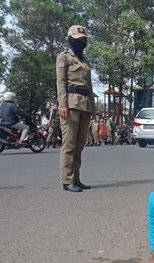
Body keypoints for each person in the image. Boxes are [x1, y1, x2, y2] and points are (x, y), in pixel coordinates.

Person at [56, 25, 96, 192]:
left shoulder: (85, 61)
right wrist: (63, 104)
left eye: (84, 40)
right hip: (71, 104)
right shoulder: (64, 57)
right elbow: (61, 83)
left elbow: (90, 86)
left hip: (84, 104)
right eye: (79, 39)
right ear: (71, 39)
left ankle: (76, 178)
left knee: (80, 144)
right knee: (69, 144)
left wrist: (92, 109)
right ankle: (67, 180)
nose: (82, 42)